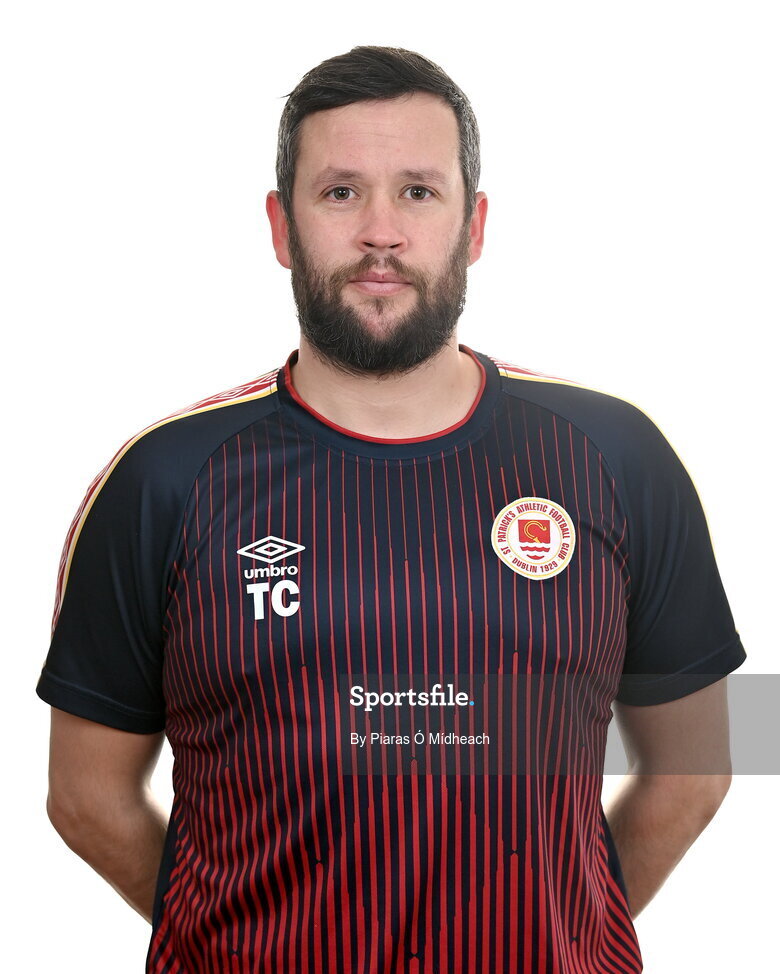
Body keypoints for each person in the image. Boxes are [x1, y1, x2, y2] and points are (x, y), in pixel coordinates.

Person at [36, 45, 746, 973]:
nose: (381, 231)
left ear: (475, 224)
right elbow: (86, 798)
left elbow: (696, 770)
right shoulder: (164, 479)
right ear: (282, 227)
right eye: (339, 193)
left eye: (418, 191)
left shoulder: (617, 458)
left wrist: (568, 936)